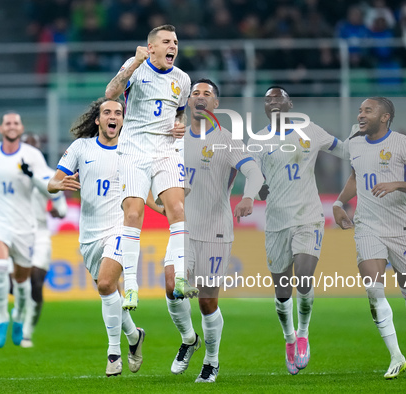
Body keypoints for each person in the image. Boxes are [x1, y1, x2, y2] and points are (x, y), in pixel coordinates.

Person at [333, 97, 406, 379]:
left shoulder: (403, 143)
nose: (361, 114)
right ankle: (396, 356)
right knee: (374, 290)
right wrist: (339, 203)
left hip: (400, 228)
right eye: (360, 110)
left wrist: (397, 184)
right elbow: (355, 175)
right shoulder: (354, 142)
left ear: (385, 117)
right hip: (367, 226)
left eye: (368, 110)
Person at [252, 86, 348, 375]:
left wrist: (367, 152)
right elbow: (253, 179)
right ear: (265, 107)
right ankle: (290, 338)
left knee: (304, 277)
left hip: (308, 216)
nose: (274, 103)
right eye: (269, 99)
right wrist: (258, 190)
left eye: (279, 98)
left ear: (290, 104)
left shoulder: (310, 131)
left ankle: (304, 333)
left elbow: (342, 149)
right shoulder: (258, 141)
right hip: (277, 221)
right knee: (283, 291)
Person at [48, 98, 144, 377]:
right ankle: (134, 336)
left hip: (120, 227)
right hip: (89, 234)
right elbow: (52, 182)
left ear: (123, 120)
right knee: (110, 292)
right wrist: (58, 184)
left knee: (105, 284)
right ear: (98, 120)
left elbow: (141, 186)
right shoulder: (81, 147)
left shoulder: (131, 151)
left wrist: (161, 205)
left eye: (118, 113)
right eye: (107, 113)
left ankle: (114, 353)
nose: (113, 117)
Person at [104, 24, 197, 312]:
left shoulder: (182, 79)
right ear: (152, 47)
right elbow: (111, 92)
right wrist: (134, 63)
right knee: (133, 213)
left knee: (178, 211)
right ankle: (131, 286)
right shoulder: (136, 67)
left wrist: (179, 126)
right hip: (134, 149)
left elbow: (180, 111)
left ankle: (181, 278)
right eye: (167, 41)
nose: (173, 46)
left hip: (166, 150)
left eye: (176, 42)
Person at [182, 79, 263, 382]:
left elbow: (253, 171)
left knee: (206, 301)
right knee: (172, 288)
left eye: (207, 95)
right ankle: (188, 338)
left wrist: (248, 196)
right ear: (188, 101)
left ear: (216, 104)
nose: (200, 98)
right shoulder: (174, 137)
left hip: (215, 230)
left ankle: (211, 361)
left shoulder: (226, 140)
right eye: (195, 94)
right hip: (183, 230)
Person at [0, 111, 53, 349]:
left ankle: (18, 318)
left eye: (16, 123)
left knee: (23, 280)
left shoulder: (33, 156)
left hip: (25, 225)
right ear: (1, 128)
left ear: (21, 127)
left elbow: (50, 189)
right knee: (0, 264)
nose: (12, 126)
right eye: (8, 123)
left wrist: (32, 175)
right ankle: (2, 318)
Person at [13, 133, 68, 348]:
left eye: (33, 147)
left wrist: (56, 210)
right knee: (15, 282)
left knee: (36, 280)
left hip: (40, 234)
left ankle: (26, 332)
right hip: (16, 233)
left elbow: (62, 208)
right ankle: (18, 311)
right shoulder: (11, 175)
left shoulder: (48, 175)